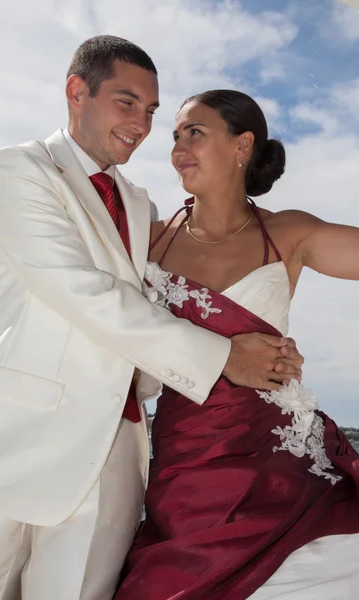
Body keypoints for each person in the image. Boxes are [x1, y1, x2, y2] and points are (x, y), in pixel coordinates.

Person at [0, 38, 302, 600]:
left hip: (118, 454)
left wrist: (268, 346)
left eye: (150, 111)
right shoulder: (19, 171)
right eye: (127, 102)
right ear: (77, 92)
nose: (141, 124)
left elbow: (183, 295)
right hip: (15, 442)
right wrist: (224, 358)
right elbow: (79, 290)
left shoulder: (142, 209)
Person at [115, 90, 359, 600]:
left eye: (196, 133)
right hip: (187, 464)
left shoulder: (288, 233)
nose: (179, 147)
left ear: (242, 144)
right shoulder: (150, 241)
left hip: (281, 461)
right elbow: (101, 316)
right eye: (176, 136)